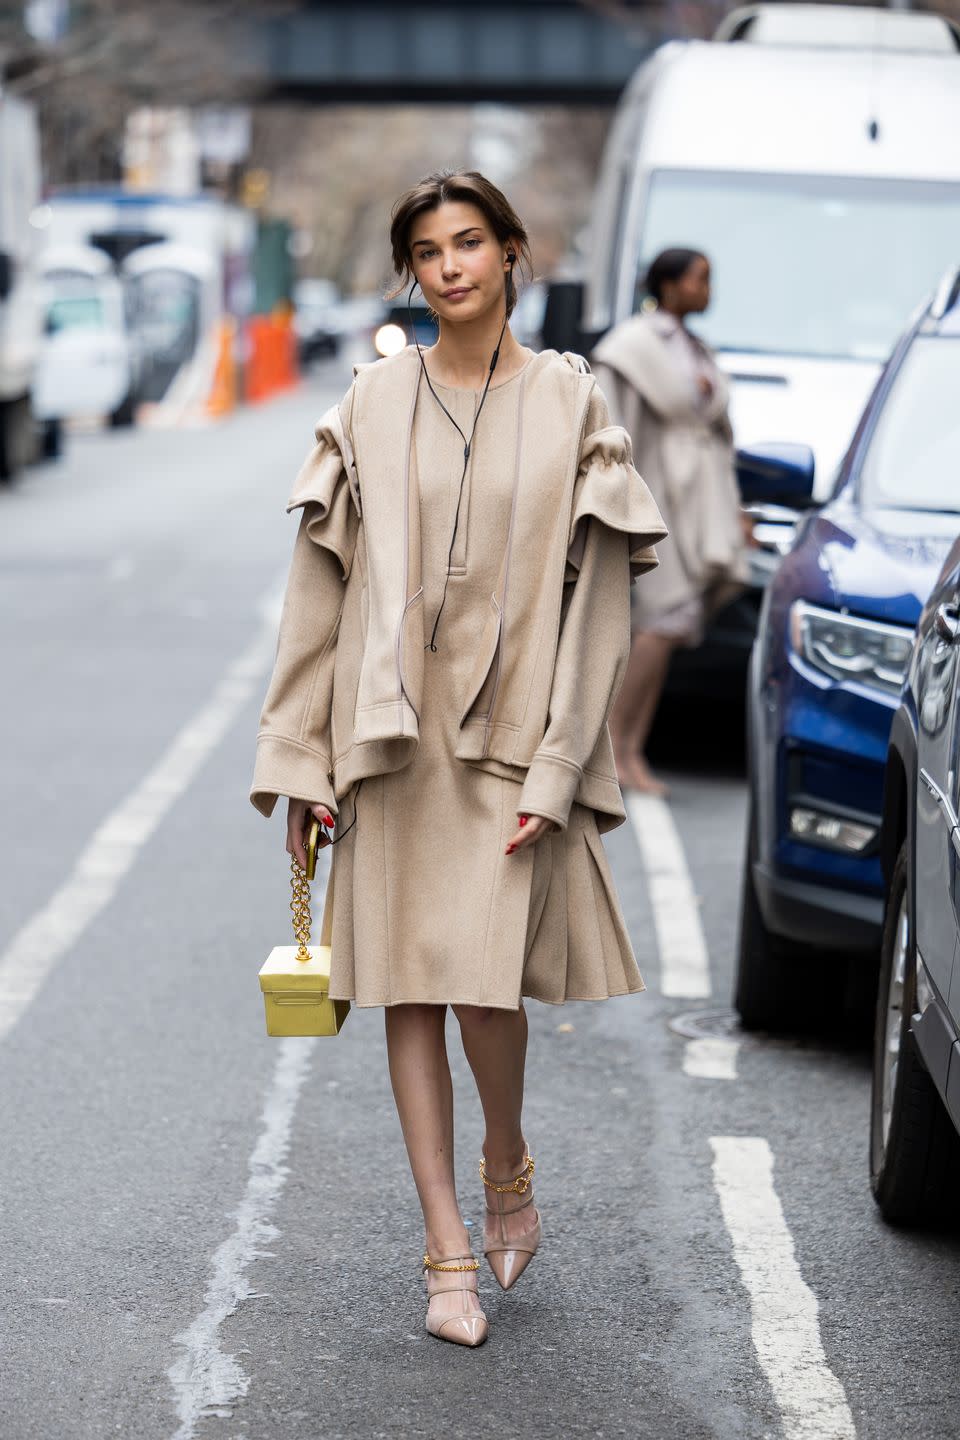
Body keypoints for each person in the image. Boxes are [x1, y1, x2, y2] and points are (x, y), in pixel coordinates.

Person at [250, 170, 667, 1348]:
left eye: (470, 242)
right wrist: (299, 759)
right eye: (428, 250)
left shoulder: (574, 403)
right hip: (388, 737)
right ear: (412, 269)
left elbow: (600, 609)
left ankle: (504, 1159)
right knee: (407, 984)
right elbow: (319, 586)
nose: (450, 267)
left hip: (515, 736)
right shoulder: (372, 403)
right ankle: (446, 1253)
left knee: (488, 990)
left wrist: (561, 762)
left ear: (513, 250)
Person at [591, 248, 749, 796]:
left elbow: (718, 432)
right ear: (671, 282)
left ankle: (629, 751)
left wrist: (734, 512)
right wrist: (618, 501)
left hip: (698, 502)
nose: (708, 289)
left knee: (670, 624)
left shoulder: (693, 347)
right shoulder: (632, 348)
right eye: (701, 278)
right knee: (661, 621)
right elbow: (611, 428)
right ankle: (612, 752)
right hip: (656, 497)